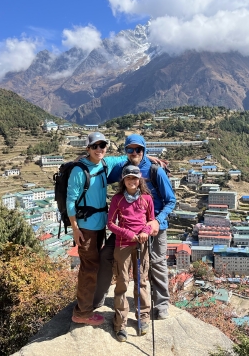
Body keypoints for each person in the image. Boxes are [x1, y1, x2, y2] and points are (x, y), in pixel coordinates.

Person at [94, 134, 176, 320]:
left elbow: (171, 200)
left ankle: (161, 304)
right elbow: (101, 168)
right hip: (127, 228)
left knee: (156, 262)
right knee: (106, 255)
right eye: (129, 149)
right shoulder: (122, 168)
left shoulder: (156, 171)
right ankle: (97, 299)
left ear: (144, 150)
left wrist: (156, 220)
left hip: (155, 226)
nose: (134, 153)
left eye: (138, 149)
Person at [67, 132, 126, 326]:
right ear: (88, 149)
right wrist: (75, 229)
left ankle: (85, 306)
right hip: (86, 228)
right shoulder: (79, 170)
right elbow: (70, 202)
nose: (99, 149)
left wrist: (147, 155)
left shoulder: (104, 164)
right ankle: (82, 313)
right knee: (89, 267)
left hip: (99, 225)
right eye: (95, 146)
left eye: (103, 146)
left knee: (93, 265)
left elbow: (127, 157)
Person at [107, 165, 154, 342]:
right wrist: (128, 234)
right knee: (122, 283)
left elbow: (151, 220)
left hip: (142, 244)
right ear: (123, 180)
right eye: (128, 178)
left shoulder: (147, 199)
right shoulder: (117, 199)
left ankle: (143, 318)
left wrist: (145, 231)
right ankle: (120, 323)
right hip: (123, 244)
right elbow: (110, 223)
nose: (132, 181)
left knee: (141, 281)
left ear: (140, 180)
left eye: (135, 178)